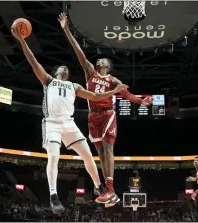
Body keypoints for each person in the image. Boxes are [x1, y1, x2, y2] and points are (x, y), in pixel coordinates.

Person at [11, 24, 128, 214]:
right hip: (52, 124)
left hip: (69, 123)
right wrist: (22, 41)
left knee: (88, 155)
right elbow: (33, 62)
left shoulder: (74, 86)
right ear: (57, 72)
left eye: (66, 67)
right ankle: (54, 196)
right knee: (54, 156)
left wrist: (114, 91)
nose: (65, 67)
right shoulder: (48, 80)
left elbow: (95, 97)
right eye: (61, 67)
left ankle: (99, 187)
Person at [59, 12, 153, 206]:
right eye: (99, 59)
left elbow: (128, 95)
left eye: (104, 60)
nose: (100, 60)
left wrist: (142, 102)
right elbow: (79, 53)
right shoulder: (90, 72)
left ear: (108, 66)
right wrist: (66, 30)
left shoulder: (114, 80)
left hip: (108, 114)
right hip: (93, 117)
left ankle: (110, 188)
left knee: (108, 148)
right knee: (100, 153)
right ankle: (109, 192)